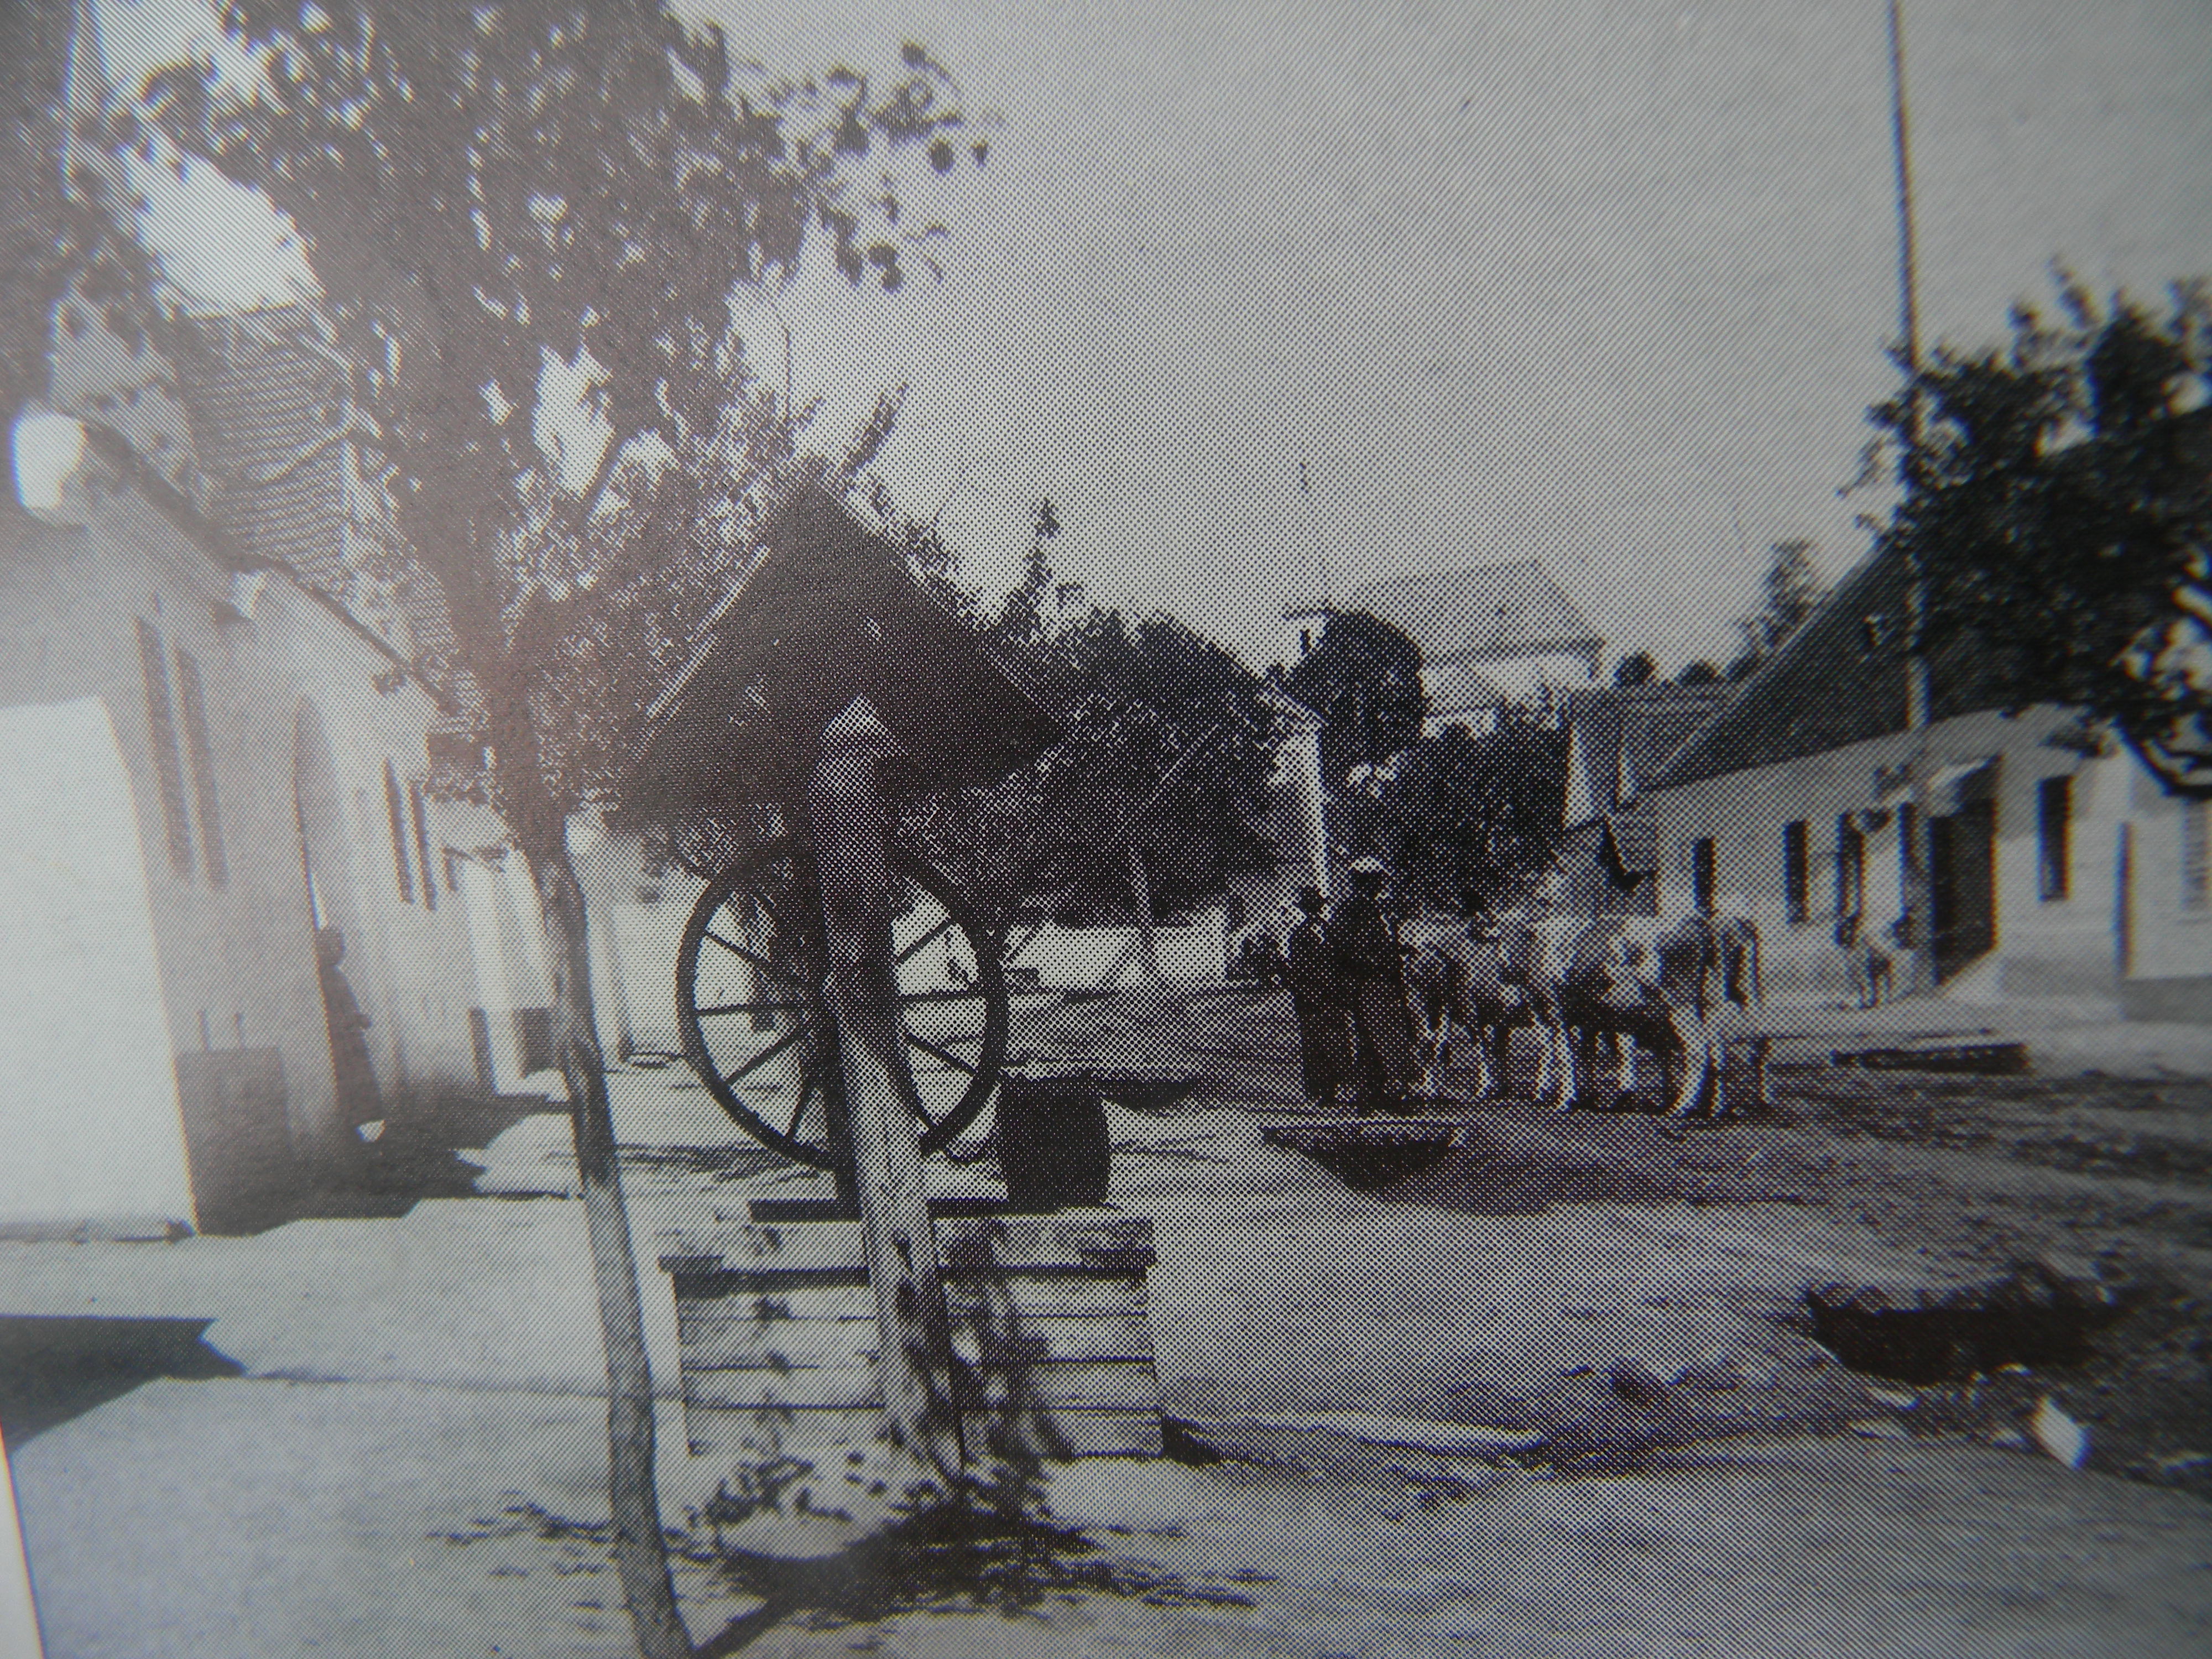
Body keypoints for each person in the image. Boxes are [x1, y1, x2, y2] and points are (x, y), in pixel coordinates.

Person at [1332, 859, 1418, 1113]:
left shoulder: (1378, 910)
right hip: (1366, 983)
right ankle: (1372, 1093)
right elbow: (1343, 950)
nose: (1379, 885)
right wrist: (1375, 961)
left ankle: (1385, 1091)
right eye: (1374, 880)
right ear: (1362, 882)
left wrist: (1398, 951)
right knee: (1374, 1038)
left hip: (1385, 982)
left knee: (1387, 1036)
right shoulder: (1350, 912)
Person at [1283, 888, 1352, 1110]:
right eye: (1311, 907)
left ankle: (1333, 1088)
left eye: (1315, 906)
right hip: (1317, 998)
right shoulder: (1307, 934)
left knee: (1330, 1043)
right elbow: (1299, 970)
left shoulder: (1324, 932)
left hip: (1325, 998)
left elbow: (1339, 963)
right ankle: (1325, 1090)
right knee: (1320, 1044)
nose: (1314, 911)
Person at [315, 926, 384, 1131]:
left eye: (342, 946)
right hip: (342, 1044)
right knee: (351, 1086)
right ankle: (355, 1126)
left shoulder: (336, 976)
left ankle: (366, 1127)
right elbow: (332, 1014)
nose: (342, 951)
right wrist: (352, 1021)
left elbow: (347, 1007)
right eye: (337, 946)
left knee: (362, 1085)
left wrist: (359, 1018)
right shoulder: (324, 977)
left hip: (351, 1040)